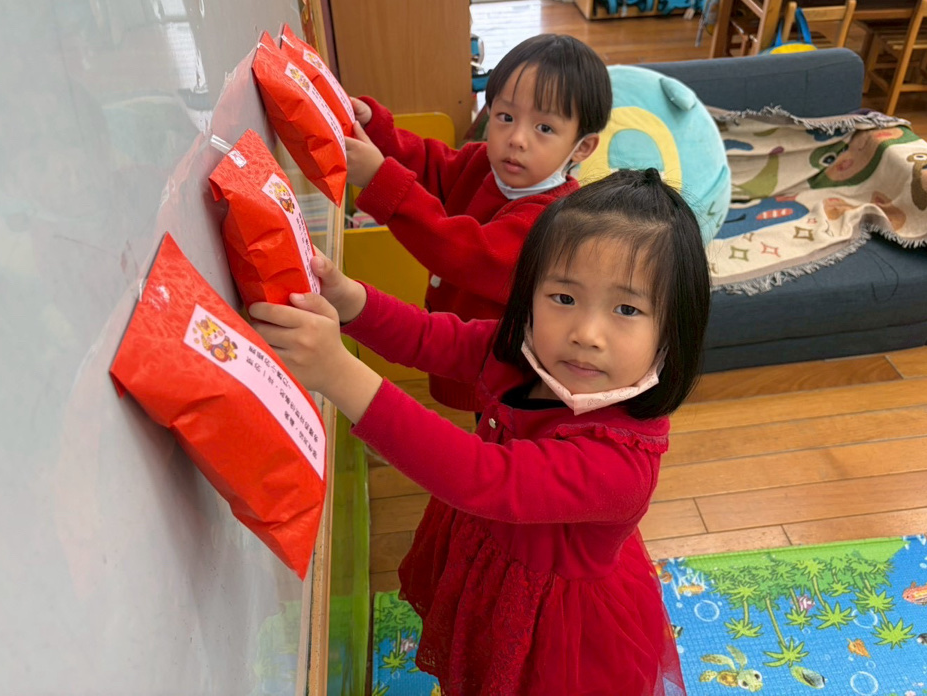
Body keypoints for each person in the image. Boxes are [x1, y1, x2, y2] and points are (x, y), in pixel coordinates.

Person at [249, 169, 709, 695]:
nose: (586, 334)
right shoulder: (527, 353)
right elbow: (430, 338)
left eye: (626, 309)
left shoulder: (622, 465)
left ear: (673, 330)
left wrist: (338, 374)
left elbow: (481, 477)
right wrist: (351, 301)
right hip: (486, 560)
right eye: (563, 297)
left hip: (556, 620)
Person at [344, 33, 612, 414]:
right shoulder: (484, 162)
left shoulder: (551, 224)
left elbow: (461, 253)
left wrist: (379, 180)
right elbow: (430, 164)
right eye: (506, 117)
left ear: (581, 147)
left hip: (506, 376)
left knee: (498, 432)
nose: (516, 139)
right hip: (465, 352)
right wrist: (376, 130)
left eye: (544, 128)